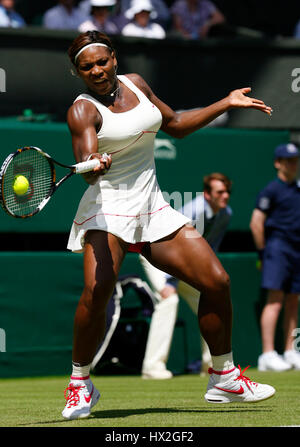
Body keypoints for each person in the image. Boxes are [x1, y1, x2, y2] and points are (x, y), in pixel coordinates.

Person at [62, 30, 275, 420]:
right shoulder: (82, 110)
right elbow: (87, 162)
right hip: (107, 209)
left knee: (217, 281)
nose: (96, 70)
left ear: (113, 56)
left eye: (101, 61)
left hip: (152, 207)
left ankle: (223, 376)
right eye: (86, 67)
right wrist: (94, 164)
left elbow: (175, 123)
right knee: (96, 292)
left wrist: (225, 103)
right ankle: (80, 384)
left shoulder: (138, 85)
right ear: (78, 73)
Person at [140, 173, 232, 379]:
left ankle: (212, 365)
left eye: (227, 192)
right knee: (169, 300)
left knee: (209, 299)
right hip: (158, 257)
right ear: (207, 195)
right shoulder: (195, 212)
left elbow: (210, 249)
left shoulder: (226, 214)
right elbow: (173, 247)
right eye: (220, 192)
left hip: (186, 262)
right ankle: (152, 366)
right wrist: (170, 282)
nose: (225, 196)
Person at [250, 143, 300, 372]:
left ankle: (290, 351)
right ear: (277, 163)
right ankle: (267, 354)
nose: (293, 164)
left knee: (293, 301)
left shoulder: (297, 190)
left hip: (296, 250)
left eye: (295, 160)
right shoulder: (271, 190)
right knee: (275, 301)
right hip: (277, 249)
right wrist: (263, 253)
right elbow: (256, 223)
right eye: (288, 160)